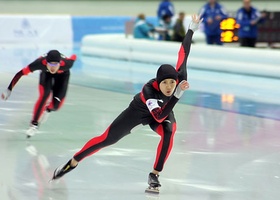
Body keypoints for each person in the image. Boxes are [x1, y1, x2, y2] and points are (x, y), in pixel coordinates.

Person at [52, 15, 202, 191]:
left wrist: (191, 28)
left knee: (170, 131)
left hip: (163, 110)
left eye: (172, 83)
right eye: (165, 83)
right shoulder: (149, 91)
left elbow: (184, 52)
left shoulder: (179, 77)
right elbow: (159, 117)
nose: (169, 87)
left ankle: (154, 174)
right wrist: (177, 95)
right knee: (106, 139)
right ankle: (73, 162)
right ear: (158, 82)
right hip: (139, 112)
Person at [1, 50, 77, 138]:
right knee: (44, 95)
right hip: (46, 74)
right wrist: (9, 89)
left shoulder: (67, 64)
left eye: (55, 65)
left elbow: (73, 57)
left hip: (62, 76)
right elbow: (20, 73)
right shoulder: (39, 63)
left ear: (60, 63)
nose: (53, 68)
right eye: (51, 64)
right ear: (46, 63)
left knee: (56, 106)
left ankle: (48, 109)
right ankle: (34, 124)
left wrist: (74, 55)